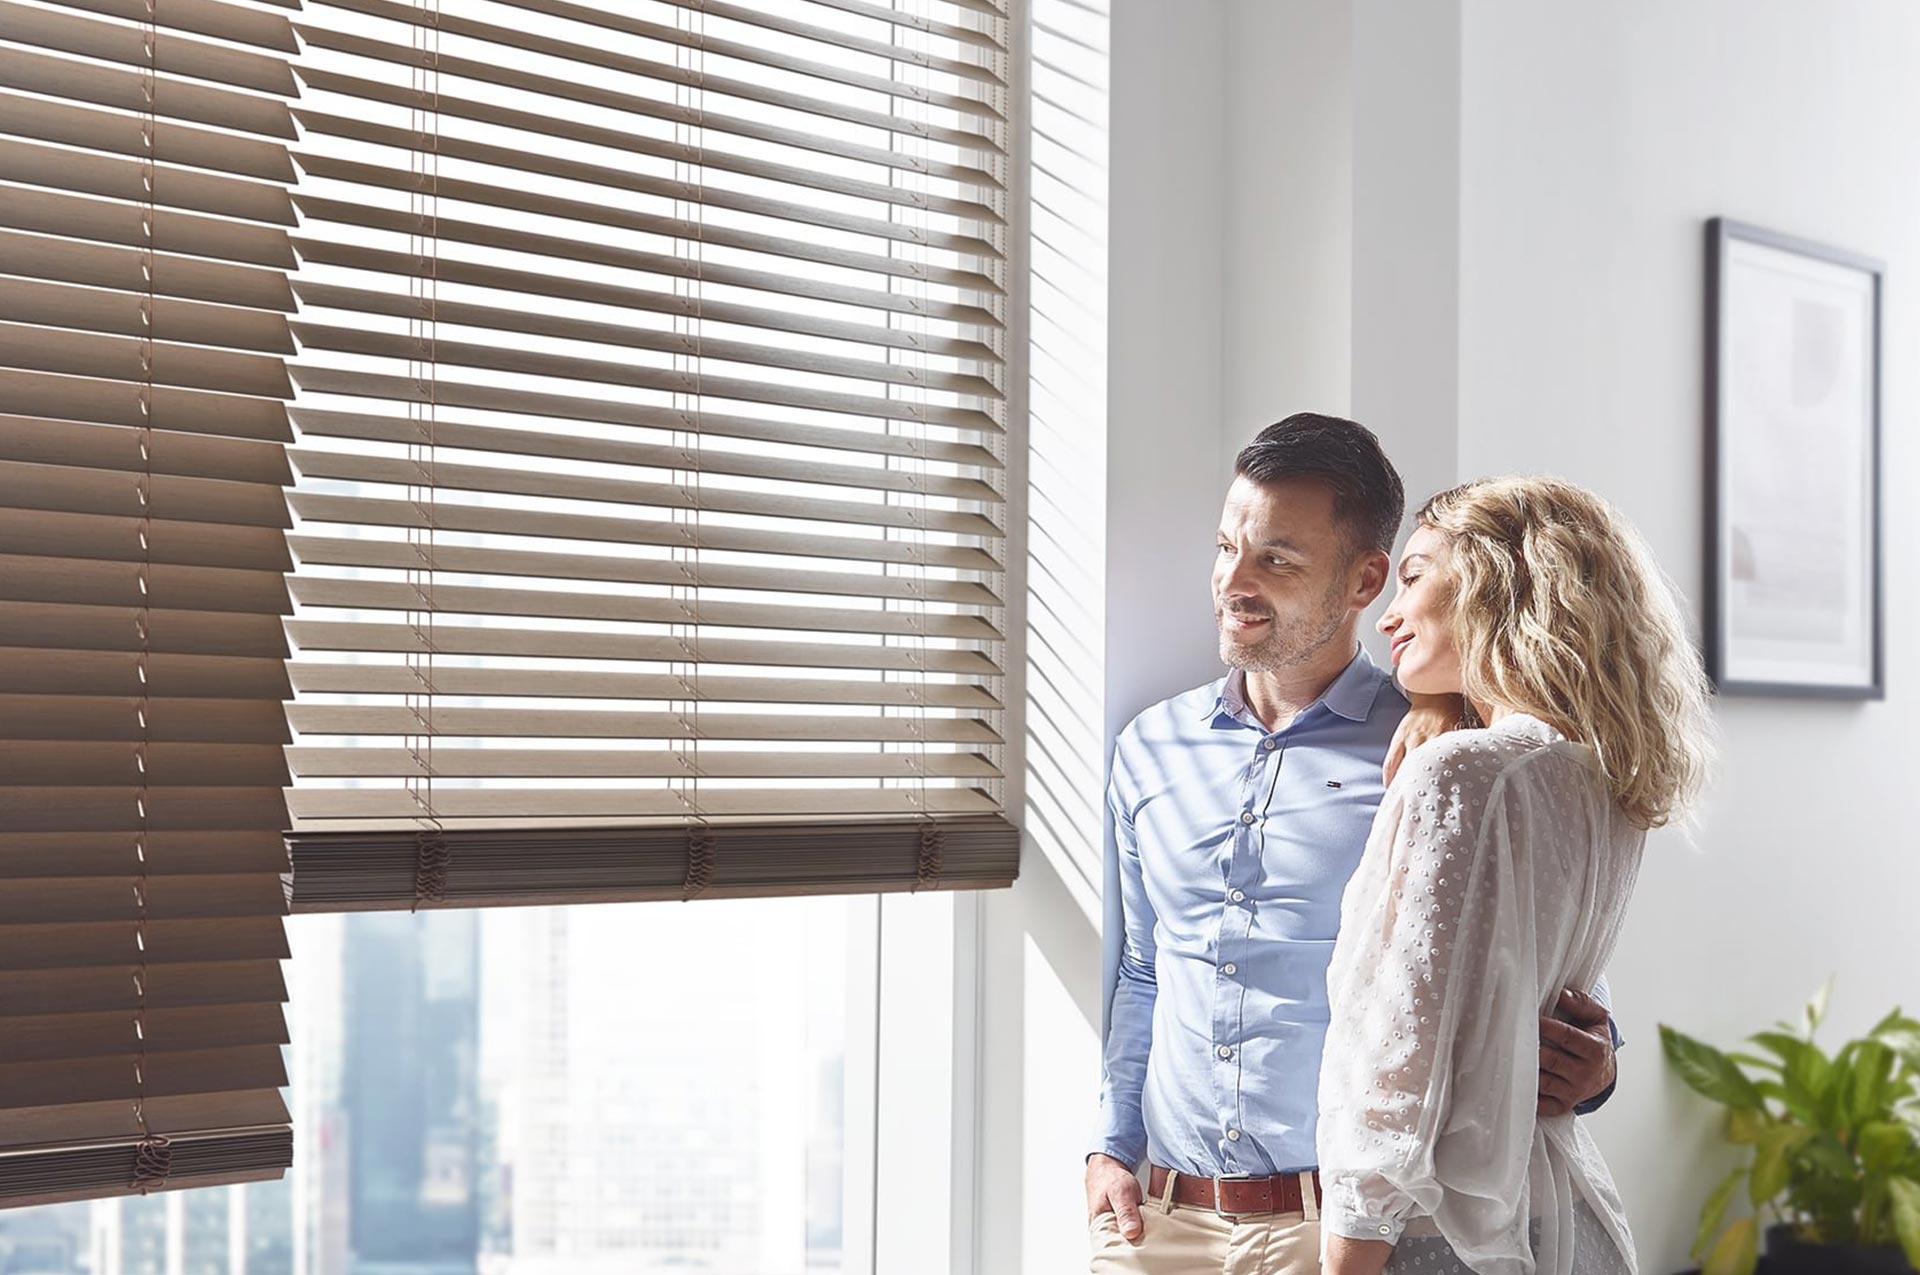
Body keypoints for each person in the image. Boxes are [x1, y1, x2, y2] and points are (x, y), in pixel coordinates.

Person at [1087, 417, 1622, 1275]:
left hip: (1340, 1227)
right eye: (1227, 547)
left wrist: (1596, 1063)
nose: (1235, 582)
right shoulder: (1148, 747)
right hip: (1159, 1222)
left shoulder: (1437, 750)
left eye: (1278, 559)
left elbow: (1520, 966)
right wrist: (1109, 1145)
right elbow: (1147, 968)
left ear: (1365, 578)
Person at [1316, 477, 1714, 1275]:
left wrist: (1346, 1260)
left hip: (1447, 1238)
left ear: (1495, 578)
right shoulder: (1604, 778)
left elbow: (1400, 1070)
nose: (1388, 614)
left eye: (1415, 573)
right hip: (1570, 1216)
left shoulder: (1462, 774)